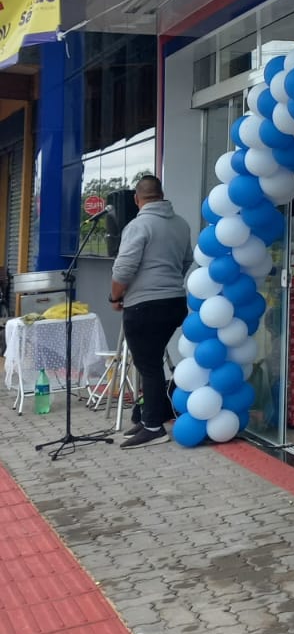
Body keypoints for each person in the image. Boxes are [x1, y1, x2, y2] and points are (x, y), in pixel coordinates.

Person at [110, 175, 192, 447]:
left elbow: (123, 269)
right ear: (162, 194)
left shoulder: (138, 225)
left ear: (137, 199)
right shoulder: (181, 224)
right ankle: (146, 416)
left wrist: (115, 296)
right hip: (175, 302)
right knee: (152, 362)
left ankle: (154, 427)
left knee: (149, 365)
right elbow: (186, 260)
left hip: (144, 305)